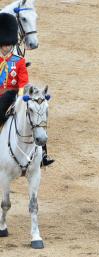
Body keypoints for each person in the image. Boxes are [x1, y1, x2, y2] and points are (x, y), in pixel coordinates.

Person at [0, 13, 54, 166]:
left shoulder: (19, 61)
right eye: (4, 45)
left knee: (38, 113)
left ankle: (43, 154)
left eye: (9, 44)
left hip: (14, 95)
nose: (7, 47)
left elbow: (23, 82)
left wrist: (21, 98)